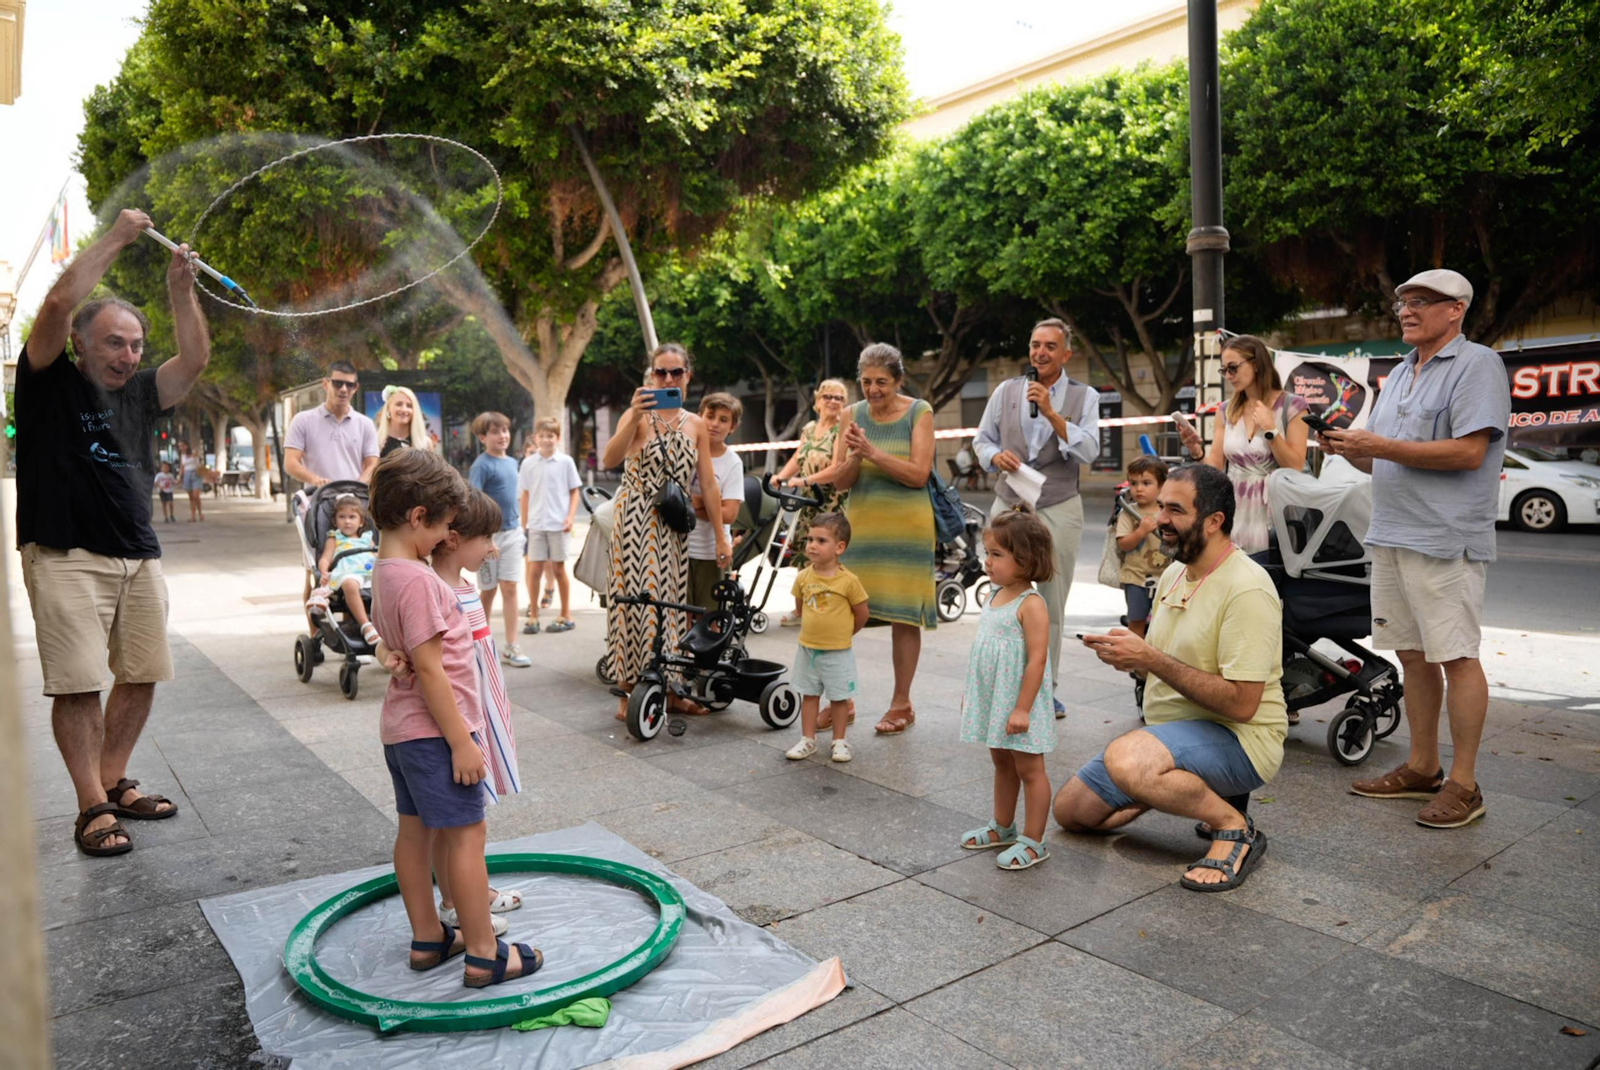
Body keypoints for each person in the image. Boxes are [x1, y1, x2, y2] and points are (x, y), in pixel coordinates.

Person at [15, 206, 210, 856]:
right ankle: (90, 806)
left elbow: (197, 359)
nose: (127, 355)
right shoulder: (48, 380)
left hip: (138, 554)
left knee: (141, 672)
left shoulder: (143, 391)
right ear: (81, 344)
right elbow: (60, 300)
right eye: (113, 342)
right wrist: (121, 236)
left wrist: (181, 292)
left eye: (135, 344)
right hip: (64, 551)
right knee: (77, 684)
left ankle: (113, 779)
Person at [1318, 269, 1511, 829]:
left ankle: (1465, 783)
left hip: (1445, 537)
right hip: (1392, 532)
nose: (1405, 310)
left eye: (1420, 301)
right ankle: (1423, 766)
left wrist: (1380, 444)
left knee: (1456, 656)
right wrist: (1348, 447)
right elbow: (1383, 458)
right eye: (1402, 301)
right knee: (1412, 654)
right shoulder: (1400, 373)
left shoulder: (1478, 364)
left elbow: (1470, 452)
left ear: (1456, 310)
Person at [1057, 465, 1287, 892]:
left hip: (1241, 740)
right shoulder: (1175, 572)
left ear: (1215, 521)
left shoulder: (1247, 588)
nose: (1160, 518)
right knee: (1071, 812)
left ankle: (1232, 824)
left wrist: (1152, 659)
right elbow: (1165, 660)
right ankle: (1165, 785)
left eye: (1174, 510)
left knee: (1128, 759)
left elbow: (1242, 705)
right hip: (1172, 734)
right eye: (1160, 506)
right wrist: (1131, 657)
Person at [368, 447, 542, 987]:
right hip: (436, 733)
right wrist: (465, 742)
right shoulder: (421, 582)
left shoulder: (388, 571)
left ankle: (428, 939)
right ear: (418, 517)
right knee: (467, 837)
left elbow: (400, 654)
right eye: (444, 525)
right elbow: (432, 670)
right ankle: (486, 953)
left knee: (414, 836)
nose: (448, 535)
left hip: (402, 733)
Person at [805, 344, 936, 736]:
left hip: (908, 529)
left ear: (898, 380)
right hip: (861, 526)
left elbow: (918, 475)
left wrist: (873, 452)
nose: (873, 389)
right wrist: (854, 458)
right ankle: (841, 699)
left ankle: (902, 703)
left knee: (902, 616)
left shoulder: (920, 412)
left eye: (882, 382)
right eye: (866, 382)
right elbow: (842, 481)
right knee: (841, 613)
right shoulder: (851, 414)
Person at [974, 319, 1101, 720]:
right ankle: (1001, 680)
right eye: (1034, 345)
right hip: (1009, 501)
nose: (1040, 353)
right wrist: (994, 456)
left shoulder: (1086, 396)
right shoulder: (1006, 390)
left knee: (1050, 599)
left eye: (1050, 346)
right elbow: (982, 439)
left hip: (1058, 502)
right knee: (1001, 590)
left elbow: (1090, 451)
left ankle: (1046, 688)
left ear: (1066, 355)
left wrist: (1051, 412)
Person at [602, 343, 731, 721]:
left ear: (688, 376)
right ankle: (629, 690)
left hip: (673, 523)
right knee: (634, 600)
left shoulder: (696, 425)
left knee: (670, 605)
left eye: (676, 373)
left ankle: (670, 690)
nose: (668, 379)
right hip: (635, 517)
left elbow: (707, 483)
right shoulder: (638, 414)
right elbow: (611, 459)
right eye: (661, 372)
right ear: (651, 376)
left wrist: (722, 537)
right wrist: (633, 416)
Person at [958, 509, 1056, 871]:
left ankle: (1034, 840)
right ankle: (1003, 826)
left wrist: (1022, 709)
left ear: (1026, 560)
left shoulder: (1031, 604)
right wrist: (974, 694)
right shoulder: (994, 595)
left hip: (1020, 704)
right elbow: (985, 653)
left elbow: (1036, 661)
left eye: (997, 554)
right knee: (1001, 762)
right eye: (988, 553)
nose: (987, 561)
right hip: (995, 700)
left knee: (1030, 768)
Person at [1176, 334, 1309, 554]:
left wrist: (1271, 430)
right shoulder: (1226, 410)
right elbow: (1215, 469)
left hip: (1275, 511)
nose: (1228, 375)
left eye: (1233, 368)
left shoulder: (1292, 406)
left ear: (1256, 364)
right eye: (1224, 370)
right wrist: (1196, 450)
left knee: (1269, 575)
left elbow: (1295, 466)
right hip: (1234, 509)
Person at [285, 361, 381, 633]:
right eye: (338, 383)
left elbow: (372, 463)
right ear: (326, 383)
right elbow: (291, 462)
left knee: (359, 562)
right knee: (315, 572)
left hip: (354, 505)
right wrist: (314, 479)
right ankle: (315, 633)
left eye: (349, 384)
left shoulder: (363, 424)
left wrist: (358, 485)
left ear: (355, 388)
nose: (343, 389)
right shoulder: (304, 420)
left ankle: (354, 626)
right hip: (320, 505)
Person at [783, 512, 870, 764]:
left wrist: (845, 633)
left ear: (839, 547)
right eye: (810, 539)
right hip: (808, 649)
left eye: (821, 541)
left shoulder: (849, 581)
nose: (812, 545)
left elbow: (862, 613)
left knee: (839, 697)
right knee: (809, 694)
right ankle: (807, 739)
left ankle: (839, 740)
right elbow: (800, 608)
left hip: (837, 651)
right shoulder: (803, 577)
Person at [776, 379, 852, 625]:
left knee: (826, 555)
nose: (833, 402)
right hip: (806, 503)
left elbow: (837, 469)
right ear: (817, 401)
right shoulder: (809, 428)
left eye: (839, 398)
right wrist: (781, 477)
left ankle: (828, 608)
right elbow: (800, 457)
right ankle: (801, 610)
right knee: (803, 553)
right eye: (828, 396)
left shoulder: (842, 429)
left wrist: (805, 481)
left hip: (829, 503)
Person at [466, 412, 531, 668]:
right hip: (487, 537)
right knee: (489, 590)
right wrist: (486, 538)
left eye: (504, 430)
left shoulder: (513, 462)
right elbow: (474, 502)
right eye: (495, 432)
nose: (502, 436)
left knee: (510, 587)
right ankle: (478, 644)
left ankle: (511, 646)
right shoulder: (481, 465)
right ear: (482, 437)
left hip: (513, 534)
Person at [518, 417, 582, 635]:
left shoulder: (566, 462)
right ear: (536, 438)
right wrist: (523, 525)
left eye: (550, 436)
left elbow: (575, 491)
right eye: (542, 436)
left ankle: (566, 613)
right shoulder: (528, 463)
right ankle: (533, 615)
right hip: (535, 525)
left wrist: (570, 517)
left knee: (558, 569)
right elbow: (524, 494)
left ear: (558, 438)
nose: (546, 440)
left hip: (559, 525)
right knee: (534, 569)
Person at [688, 393, 746, 618]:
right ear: (698, 416)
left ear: (733, 427)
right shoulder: (686, 451)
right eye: (710, 416)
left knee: (708, 617)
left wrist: (694, 504)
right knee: (680, 616)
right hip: (679, 549)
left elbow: (729, 514)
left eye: (723, 420)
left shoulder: (732, 463)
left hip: (710, 551)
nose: (714, 424)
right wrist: (711, 505)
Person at [316, 494, 379, 645]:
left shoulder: (366, 538)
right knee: (350, 584)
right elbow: (325, 558)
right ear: (335, 521)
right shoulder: (335, 537)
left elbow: (376, 555)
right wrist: (324, 572)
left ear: (361, 521)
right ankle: (366, 626)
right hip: (348, 573)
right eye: (342, 517)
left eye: (352, 517)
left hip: (369, 572)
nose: (347, 521)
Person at [376, 385, 433, 458]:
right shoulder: (376, 442)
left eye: (409, 406)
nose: (404, 410)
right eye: (399, 404)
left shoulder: (425, 443)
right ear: (388, 409)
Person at [178, 441, 205, 522]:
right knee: (191, 497)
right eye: (180, 446)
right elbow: (182, 467)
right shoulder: (182, 456)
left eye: (183, 446)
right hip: (187, 474)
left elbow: (198, 463)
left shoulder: (194, 452)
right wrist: (180, 477)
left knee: (196, 495)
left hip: (195, 473)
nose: (181, 448)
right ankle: (193, 515)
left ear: (187, 445)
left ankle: (200, 513)